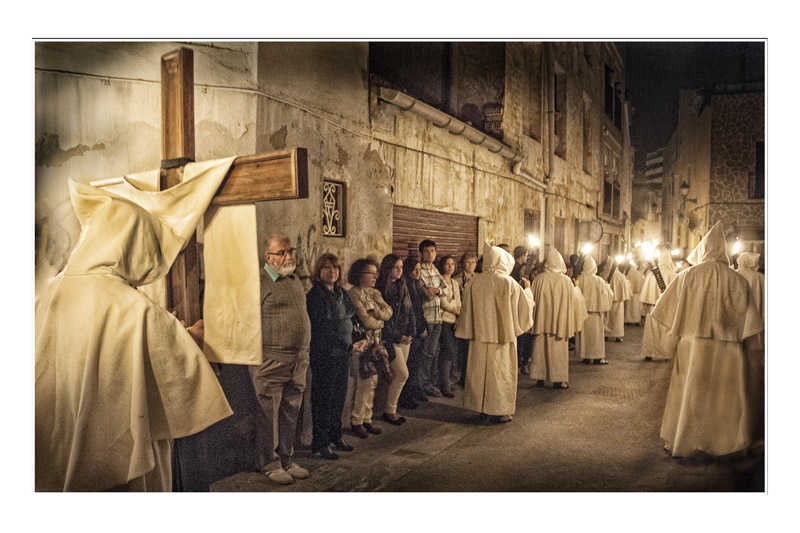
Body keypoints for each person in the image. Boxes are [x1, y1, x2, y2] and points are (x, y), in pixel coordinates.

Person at [35, 172, 235, 492]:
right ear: (132, 245)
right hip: (112, 456)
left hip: (48, 442)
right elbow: (175, 372)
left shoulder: (49, 292)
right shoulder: (131, 307)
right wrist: (193, 336)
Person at [652, 222, 764, 458]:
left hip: (692, 347)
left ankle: (687, 439)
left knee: (690, 394)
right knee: (724, 397)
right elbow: (750, 324)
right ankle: (725, 443)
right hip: (729, 350)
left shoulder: (687, 276)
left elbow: (663, 309)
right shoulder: (738, 280)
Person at [249, 234, 312, 484]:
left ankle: (287, 458)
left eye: (291, 251)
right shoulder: (259, 282)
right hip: (271, 359)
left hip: (298, 359)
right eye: (282, 252)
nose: (288, 257)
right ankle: (269, 462)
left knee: (291, 411)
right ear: (268, 257)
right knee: (268, 414)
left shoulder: (294, 280)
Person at [455, 243, 534, 424]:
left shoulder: (475, 282)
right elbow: (523, 310)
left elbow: (466, 310)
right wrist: (528, 291)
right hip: (502, 338)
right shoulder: (508, 283)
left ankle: (481, 408)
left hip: (480, 338)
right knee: (500, 374)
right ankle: (499, 409)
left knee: (479, 373)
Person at [306, 253, 363, 461]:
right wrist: (348, 345)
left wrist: (359, 338)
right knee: (323, 399)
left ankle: (335, 436)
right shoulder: (315, 296)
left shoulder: (341, 293)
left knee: (339, 397)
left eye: (335, 268)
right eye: (327, 268)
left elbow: (352, 318)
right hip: (325, 355)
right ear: (319, 272)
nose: (332, 272)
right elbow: (323, 329)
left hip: (343, 355)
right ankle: (320, 443)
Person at [348, 258, 393, 439]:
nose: (375, 276)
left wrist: (377, 317)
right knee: (364, 383)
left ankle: (367, 418)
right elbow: (365, 320)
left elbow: (388, 312)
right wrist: (378, 319)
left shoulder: (374, 293)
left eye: (376, 273)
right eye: (370, 273)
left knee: (373, 382)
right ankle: (357, 420)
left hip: (377, 343)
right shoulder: (354, 294)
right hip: (363, 344)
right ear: (360, 274)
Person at [530, 248, 583, 389]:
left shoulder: (539, 279)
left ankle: (539, 377)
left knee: (540, 349)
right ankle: (558, 379)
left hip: (542, 321)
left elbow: (531, 300)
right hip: (560, 322)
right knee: (558, 351)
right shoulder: (566, 281)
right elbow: (574, 302)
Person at [377, 254, 417, 424]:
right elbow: (384, 320)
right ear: (387, 269)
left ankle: (389, 407)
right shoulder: (380, 289)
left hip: (404, 337)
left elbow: (410, 310)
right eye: (396, 267)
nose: (400, 271)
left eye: (401, 267)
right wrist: (397, 335)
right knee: (402, 374)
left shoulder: (403, 285)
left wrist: (411, 333)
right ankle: (390, 410)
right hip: (391, 338)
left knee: (396, 375)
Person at [418, 239, 448, 397]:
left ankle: (429, 383)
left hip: (438, 317)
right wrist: (434, 291)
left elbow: (445, 289)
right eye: (427, 251)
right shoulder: (419, 271)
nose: (430, 254)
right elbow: (426, 294)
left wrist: (435, 291)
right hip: (427, 317)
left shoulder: (435, 270)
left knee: (434, 352)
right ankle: (422, 385)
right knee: (426, 353)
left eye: (433, 251)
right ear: (421, 253)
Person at [398, 256, 429, 408]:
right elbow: (413, 311)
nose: (418, 272)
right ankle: (405, 398)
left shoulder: (416, 284)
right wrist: (419, 328)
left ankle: (412, 393)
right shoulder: (407, 286)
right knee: (409, 366)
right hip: (412, 331)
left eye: (419, 269)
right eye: (415, 269)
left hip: (417, 329)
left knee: (415, 365)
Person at [575, 256, 614, 365]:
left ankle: (586, 356)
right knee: (596, 336)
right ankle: (597, 357)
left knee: (585, 336)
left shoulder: (580, 279)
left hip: (583, 313)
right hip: (596, 314)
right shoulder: (599, 280)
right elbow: (608, 295)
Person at [641, 252, 679, 361]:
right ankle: (666, 354)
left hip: (653, 306)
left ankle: (649, 353)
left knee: (652, 330)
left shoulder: (652, 274)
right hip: (668, 307)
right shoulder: (673, 275)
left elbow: (646, 294)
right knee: (665, 331)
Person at [437, 255, 462, 397]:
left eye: (452, 264)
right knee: (448, 352)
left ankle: (448, 382)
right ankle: (445, 384)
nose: (450, 266)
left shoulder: (454, 283)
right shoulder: (439, 280)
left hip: (453, 321)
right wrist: (454, 308)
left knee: (451, 353)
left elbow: (458, 301)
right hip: (443, 320)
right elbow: (443, 302)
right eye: (447, 264)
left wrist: (458, 314)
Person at [453, 252, 478, 386]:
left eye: (473, 262)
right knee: (462, 349)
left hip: (475, 317)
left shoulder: (478, 279)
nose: (471, 265)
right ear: (463, 264)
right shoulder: (457, 280)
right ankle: (462, 376)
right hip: (461, 315)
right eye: (468, 262)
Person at [511, 246, 534, 375]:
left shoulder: (515, 268)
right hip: (519, 307)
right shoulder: (518, 268)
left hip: (517, 307)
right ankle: (520, 364)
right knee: (522, 339)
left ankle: (520, 364)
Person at [600, 258, 632, 342]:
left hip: (608, 301)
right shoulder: (620, 276)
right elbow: (625, 288)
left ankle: (606, 334)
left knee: (607, 318)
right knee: (617, 318)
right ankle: (617, 335)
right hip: (618, 301)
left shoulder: (604, 275)